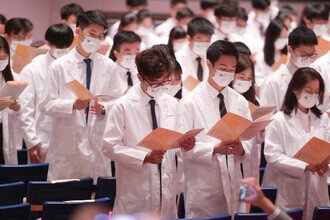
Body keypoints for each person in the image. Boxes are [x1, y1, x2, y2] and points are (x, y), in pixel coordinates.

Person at [102, 47, 195, 216]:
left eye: (165, 81)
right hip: (136, 191)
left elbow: (177, 140)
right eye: (155, 83)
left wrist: (185, 145)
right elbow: (109, 146)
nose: (160, 87)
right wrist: (144, 157)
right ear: (140, 77)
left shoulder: (172, 103)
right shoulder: (122, 106)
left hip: (166, 188)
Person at [39, 10, 116, 181]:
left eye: (100, 35)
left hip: (97, 142)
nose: (96, 39)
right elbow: (45, 104)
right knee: (66, 198)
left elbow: (116, 101)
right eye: (92, 33)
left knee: (97, 200)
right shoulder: (59, 66)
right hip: (67, 146)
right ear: (78, 31)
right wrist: (72, 105)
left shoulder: (109, 66)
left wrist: (104, 107)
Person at [177, 40, 251, 217]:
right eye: (223, 68)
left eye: (232, 69)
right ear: (209, 64)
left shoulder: (239, 101)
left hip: (234, 180)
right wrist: (214, 148)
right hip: (203, 185)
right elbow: (182, 147)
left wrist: (242, 149)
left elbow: (249, 138)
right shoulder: (190, 102)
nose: (228, 73)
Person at [264, 67, 330, 220]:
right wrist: (304, 166)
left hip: (318, 186)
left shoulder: (324, 120)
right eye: (308, 90)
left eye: (316, 91)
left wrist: (325, 166)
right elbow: (273, 156)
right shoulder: (279, 120)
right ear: (295, 89)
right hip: (291, 187)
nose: (312, 95)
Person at [260, 27, 318, 187]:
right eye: (302, 55)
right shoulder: (273, 82)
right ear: (289, 49)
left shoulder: (315, 78)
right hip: (284, 159)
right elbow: (266, 124)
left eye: (311, 55)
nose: (307, 59)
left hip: (313, 159)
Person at [18, 24, 74, 164]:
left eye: (65, 46)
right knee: (44, 183)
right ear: (48, 43)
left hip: (72, 138)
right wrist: (32, 142)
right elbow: (25, 109)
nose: (62, 50)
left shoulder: (76, 66)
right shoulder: (32, 69)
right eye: (58, 46)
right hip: (43, 138)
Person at [229, 54, 262, 181]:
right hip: (231, 153)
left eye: (249, 78)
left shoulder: (255, 101)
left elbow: (258, 140)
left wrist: (261, 129)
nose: (245, 81)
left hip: (248, 156)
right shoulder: (225, 99)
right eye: (241, 77)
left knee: (248, 197)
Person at [0, 36, 21, 164]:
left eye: (5, 57)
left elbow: (20, 113)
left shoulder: (12, 77)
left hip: (4, 131)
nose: (3, 60)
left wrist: (17, 108)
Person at [175, 17, 214, 81]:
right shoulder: (177, 59)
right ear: (189, 38)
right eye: (199, 40)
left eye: (207, 40)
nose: (203, 44)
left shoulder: (213, 59)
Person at [254, 18, 288, 87]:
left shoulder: (285, 55)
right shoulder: (260, 57)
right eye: (280, 37)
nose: (283, 40)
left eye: (285, 36)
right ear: (272, 38)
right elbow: (258, 82)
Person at [109, 31, 141, 96]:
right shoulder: (109, 74)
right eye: (128, 53)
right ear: (116, 53)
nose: (133, 56)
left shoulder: (141, 73)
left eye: (137, 53)